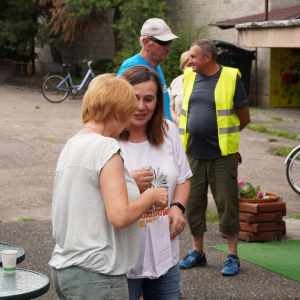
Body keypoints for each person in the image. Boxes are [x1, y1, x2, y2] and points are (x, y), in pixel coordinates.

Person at [49, 74, 168, 300]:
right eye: (128, 116)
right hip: (97, 275)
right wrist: (151, 195)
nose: (126, 126)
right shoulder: (106, 146)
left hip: (66, 270)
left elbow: (87, 196)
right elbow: (120, 216)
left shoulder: (73, 143)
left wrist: (128, 184)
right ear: (117, 112)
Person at [178, 39, 251, 276]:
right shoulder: (189, 77)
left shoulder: (231, 77)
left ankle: (232, 256)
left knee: (227, 204)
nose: (189, 60)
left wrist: (222, 137)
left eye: (193, 56)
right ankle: (197, 253)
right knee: (194, 204)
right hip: (192, 154)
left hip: (222, 156)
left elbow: (244, 117)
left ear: (207, 57)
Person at [119, 65, 192, 300]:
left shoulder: (168, 131)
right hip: (123, 259)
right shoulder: (108, 138)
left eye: (149, 99)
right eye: (134, 98)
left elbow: (183, 179)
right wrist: (128, 181)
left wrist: (177, 207)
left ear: (158, 102)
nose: (141, 106)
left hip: (164, 255)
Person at [117, 18, 179, 122]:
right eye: (163, 43)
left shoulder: (156, 65)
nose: (169, 48)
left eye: (170, 42)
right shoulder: (131, 67)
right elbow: (117, 109)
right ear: (146, 42)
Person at [168, 51, 191, 126]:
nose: (192, 68)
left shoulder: (203, 82)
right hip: (178, 132)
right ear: (182, 67)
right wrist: (178, 120)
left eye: (193, 65)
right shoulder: (176, 82)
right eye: (189, 65)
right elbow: (168, 106)